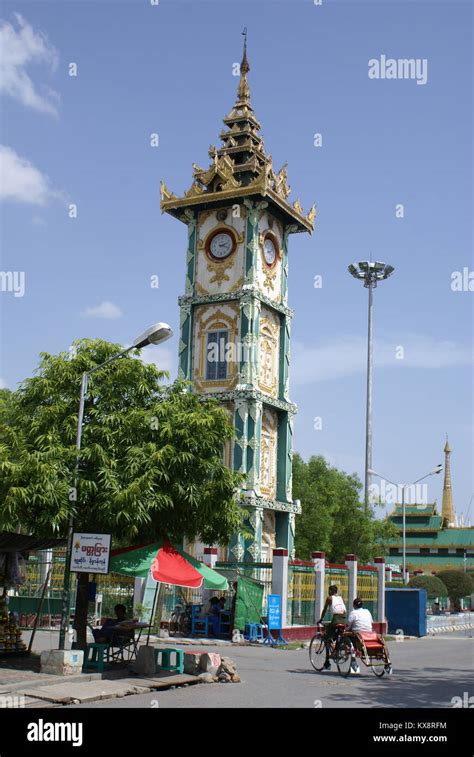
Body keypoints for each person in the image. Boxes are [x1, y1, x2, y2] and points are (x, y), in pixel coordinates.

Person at [318, 585, 347, 670]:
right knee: (337, 634)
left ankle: (327, 662)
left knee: (326, 636)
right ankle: (336, 649)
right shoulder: (340, 598)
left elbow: (324, 609)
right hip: (344, 619)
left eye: (328, 590)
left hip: (336, 619)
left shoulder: (329, 598)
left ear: (330, 591)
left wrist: (321, 619)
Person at [346, 598, 374, 674]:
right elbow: (371, 622)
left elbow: (348, 626)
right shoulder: (367, 611)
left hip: (358, 636)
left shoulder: (353, 613)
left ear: (354, 605)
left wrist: (346, 630)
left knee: (346, 637)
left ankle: (353, 659)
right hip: (369, 634)